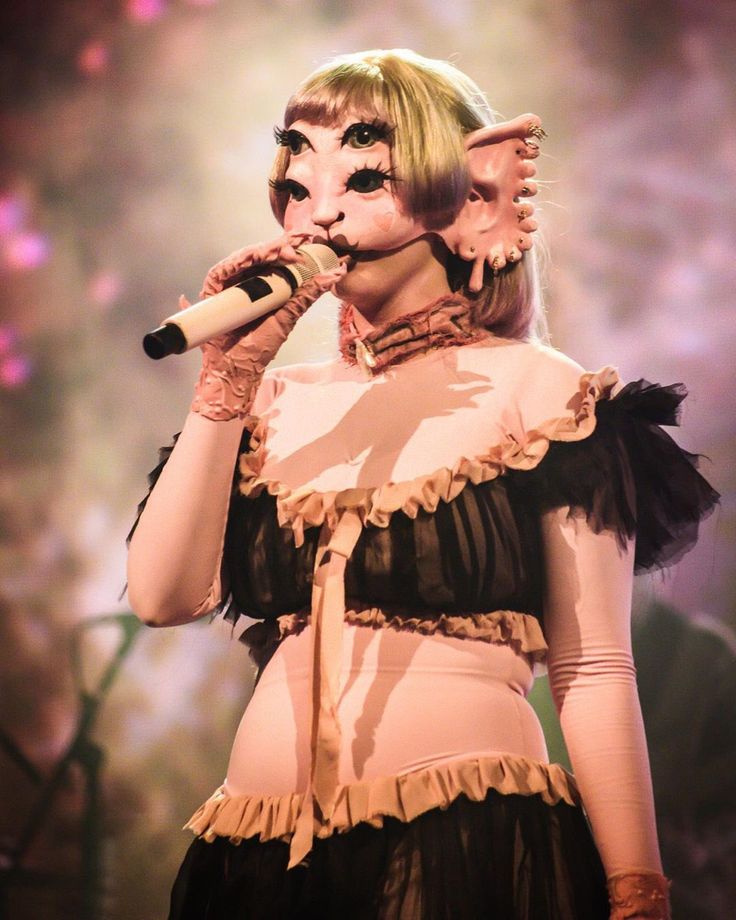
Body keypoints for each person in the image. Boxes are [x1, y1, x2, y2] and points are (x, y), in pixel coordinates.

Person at [127, 49, 718, 919]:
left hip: (464, 843)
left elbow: (593, 666)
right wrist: (225, 384)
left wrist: (635, 884)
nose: (317, 211)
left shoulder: (542, 392)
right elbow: (160, 596)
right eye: (296, 181)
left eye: (364, 180)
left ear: (471, 198)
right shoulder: (273, 403)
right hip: (253, 858)